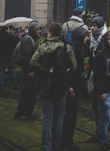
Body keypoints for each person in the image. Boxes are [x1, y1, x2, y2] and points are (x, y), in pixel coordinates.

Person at [30, 21, 77, 151]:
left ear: (50, 33)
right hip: (62, 87)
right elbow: (74, 66)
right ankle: (56, 146)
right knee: (59, 118)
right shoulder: (66, 48)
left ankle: (46, 147)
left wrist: (45, 70)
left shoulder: (43, 47)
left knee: (47, 119)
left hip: (46, 87)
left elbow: (33, 62)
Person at [60, 25, 89, 151]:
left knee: (72, 115)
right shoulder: (72, 50)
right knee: (69, 115)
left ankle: (67, 140)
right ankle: (65, 141)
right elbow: (67, 69)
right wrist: (69, 86)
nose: (87, 39)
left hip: (75, 86)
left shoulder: (80, 49)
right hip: (70, 87)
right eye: (86, 36)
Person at [86, 16, 108, 143]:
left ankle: (101, 133)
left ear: (99, 26)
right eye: (91, 25)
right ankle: (99, 131)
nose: (92, 28)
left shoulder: (106, 37)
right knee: (95, 103)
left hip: (102, 76)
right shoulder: (91, 38)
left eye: (94, 25)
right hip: (93, 73)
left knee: (101, 104)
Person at [14, 21, 40, 120]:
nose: (39, 31)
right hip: (28, 72)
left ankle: (28, 113)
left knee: (31, 93)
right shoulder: (28, 39)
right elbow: (27, 57)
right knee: (26, 93)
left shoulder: (34, 39)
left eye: (39, 29)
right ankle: (20, 114)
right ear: (32, 30)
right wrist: (29, 71)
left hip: (32, 71)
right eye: (37, 29)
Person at [0, 24, 19, 91]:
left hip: (1, 57)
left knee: (1, 72)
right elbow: (16, 44)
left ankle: (1, 86)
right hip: (10, 56)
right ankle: (14, 85)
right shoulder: (11, 36)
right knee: (13, 71)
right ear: (7, 29)